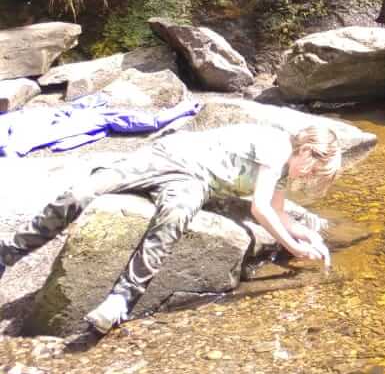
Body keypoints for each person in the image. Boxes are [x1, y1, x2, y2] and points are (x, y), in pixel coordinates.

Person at [0, 121, 342, 334]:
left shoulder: (282, 173)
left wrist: (303, 231)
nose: (308, 178)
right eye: (313, 170)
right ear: (307, 151)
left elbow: (278, 212)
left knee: (175, 218)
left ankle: (120, 299)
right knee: (83, 192)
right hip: (168, 156)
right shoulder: (277, 145)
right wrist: (295, 249)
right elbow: (260, 208)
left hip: (195, 181)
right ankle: (9, 252)